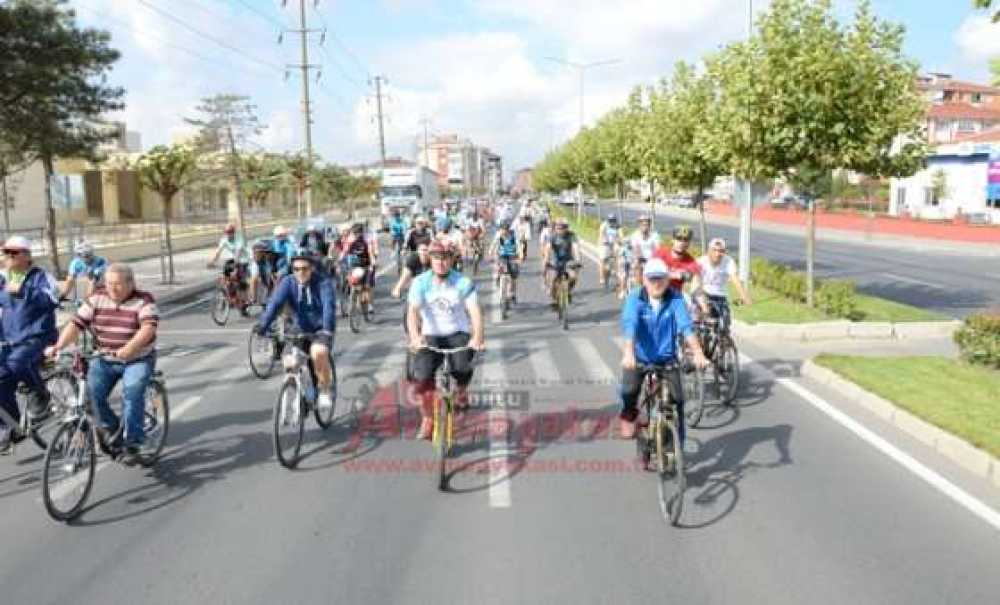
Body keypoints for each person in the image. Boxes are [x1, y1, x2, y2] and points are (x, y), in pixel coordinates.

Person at [46, 264, 159, 465]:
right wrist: (58, 346)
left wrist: (130, 348)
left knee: (132, 393)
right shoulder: (96, 299)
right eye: (109, 283)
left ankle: (134, 442)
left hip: (137, 359)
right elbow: (76, 324)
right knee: (90, 397)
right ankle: (113, 429)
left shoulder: (144, 301)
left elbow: (148, 329)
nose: (112, 288)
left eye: (118, 284)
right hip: (105, 358)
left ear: (131, 284)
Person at [618, 258, 708, 441]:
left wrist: (698, 353)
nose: (656, 283)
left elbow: (686, 326)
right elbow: (630, 326)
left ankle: (679, 444)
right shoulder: (635, 297)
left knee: (678, 400)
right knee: (628, 391)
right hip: (640, 358)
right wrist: (629, 353)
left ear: (667, 279)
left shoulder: (675, 297)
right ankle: (629, 414)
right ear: (644, 280)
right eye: (652, 279)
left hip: (667, 359)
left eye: (660, 278)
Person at [406, 240, 485, 440]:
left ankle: (461, 390)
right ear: (430, 260)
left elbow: (474, 312)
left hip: (457, 333)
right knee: (422, 378)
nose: (440, 263)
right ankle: (427, 418)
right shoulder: (420, 282)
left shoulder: (463, 282)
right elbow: (413, 312)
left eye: (445, 258)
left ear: (452, 259)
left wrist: (477, 337)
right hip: (430, 335)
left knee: (462, 367)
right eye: (436, 258)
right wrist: (415, 337)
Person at [255, 250, 337, 413]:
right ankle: (303, 392)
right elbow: (275, 304)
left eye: (305, 268)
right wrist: (262, 326)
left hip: (320, 328)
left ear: (312, 268)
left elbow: (329, 307)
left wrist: (327, 329)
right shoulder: (288, 282)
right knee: (290, 362)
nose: (300, 272)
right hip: (298, 328)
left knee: (318, 352)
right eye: (296, 269)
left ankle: (325, 389)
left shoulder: (323, 283)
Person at [0, 236, 59, 452]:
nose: (7, 256)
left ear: (26, 255)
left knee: (16, 363)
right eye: (5, 252)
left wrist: (25, 291)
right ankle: (10, 427)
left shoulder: (42, 277)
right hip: (9, 340)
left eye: (12, 252)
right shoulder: (2, 279)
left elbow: (53, 299)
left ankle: (40, 394)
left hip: (38, 337)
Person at [695, 238, 751, 332]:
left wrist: (744, 296)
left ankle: (723, 342)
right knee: (701, 321)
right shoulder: (701, 262)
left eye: (721, 251)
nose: (717, 254)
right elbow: (696, 282)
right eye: (714, 250)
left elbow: (735, 280)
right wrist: (703, 301)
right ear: (708, 250)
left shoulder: (728, 261)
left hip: (720, 295)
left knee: (725, 323)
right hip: (703, 293)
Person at [208, 223, 251, 315]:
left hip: (242, 260)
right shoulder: (224, 240)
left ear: (234, 233)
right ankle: (229, 295)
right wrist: (212, 261)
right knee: (225, 277)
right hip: (231, 260)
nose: (228, 234)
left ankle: (244, 301)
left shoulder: (239, 239)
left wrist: (236, 267)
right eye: (227, 232)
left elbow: (238, 253)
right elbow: (218, 252)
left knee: (239, 281)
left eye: (230, 232)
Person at [541, 218, 581, 307]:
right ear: (555, 228)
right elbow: (548, 249)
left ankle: (568, 291)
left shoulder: (571, 235)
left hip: (568, 260)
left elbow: (576, 247)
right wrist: (546, 260)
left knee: (573, 276)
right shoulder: (552, 236)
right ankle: (554, 298)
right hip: (556, 260)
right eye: (558, 228)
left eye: (562, 228)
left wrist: (578, 260)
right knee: (552, 279)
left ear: (566, 228)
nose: (560, 230)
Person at [653, 225, 703, 294]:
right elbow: (651, 273)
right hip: (654, 291)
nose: (682, 242)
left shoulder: (691, 262)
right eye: (679, 238)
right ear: (673, 240)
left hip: (674, 298)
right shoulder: (660, 253)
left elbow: (695, 283)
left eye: (686, 239)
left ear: (689, 243)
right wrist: (674, 275)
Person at [340, 222, 378, 310]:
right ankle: (353, 297)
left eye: (358, 232)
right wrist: (340, 260)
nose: (356, 234)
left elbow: (370, 252)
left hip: (366, 265)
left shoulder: (366, 240)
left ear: (362, 232)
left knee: (367, 286)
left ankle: (369, 305)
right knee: (354, 282)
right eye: (355, 232)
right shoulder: (350, 240)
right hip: (354, 266)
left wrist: (373, 262)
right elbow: (344, 252)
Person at [489, 220, 521, 303]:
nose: (504, 231)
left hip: (512, 256)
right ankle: (497, 278)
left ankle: (513, 293)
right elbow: (493, 245)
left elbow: (519, 245)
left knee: (514, 276)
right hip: (502, 256)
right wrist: (490, 253)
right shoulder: (498, 235)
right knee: (499, 268)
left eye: (505, 229)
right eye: (502, 229)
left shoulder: (513, 235)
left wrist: (520, 256)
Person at [597, 214, 622, 287]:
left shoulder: (618, 226)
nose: (612, 222)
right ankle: (602, 277)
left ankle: (616, 271)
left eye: (613, 220)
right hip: (604, 243)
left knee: (618, 254)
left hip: (614, 243)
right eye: (610, 220)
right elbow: (602, 234)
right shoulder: (604, 225)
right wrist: (604, 241)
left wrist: (620, 240)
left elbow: (621, 235)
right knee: (603, 259)